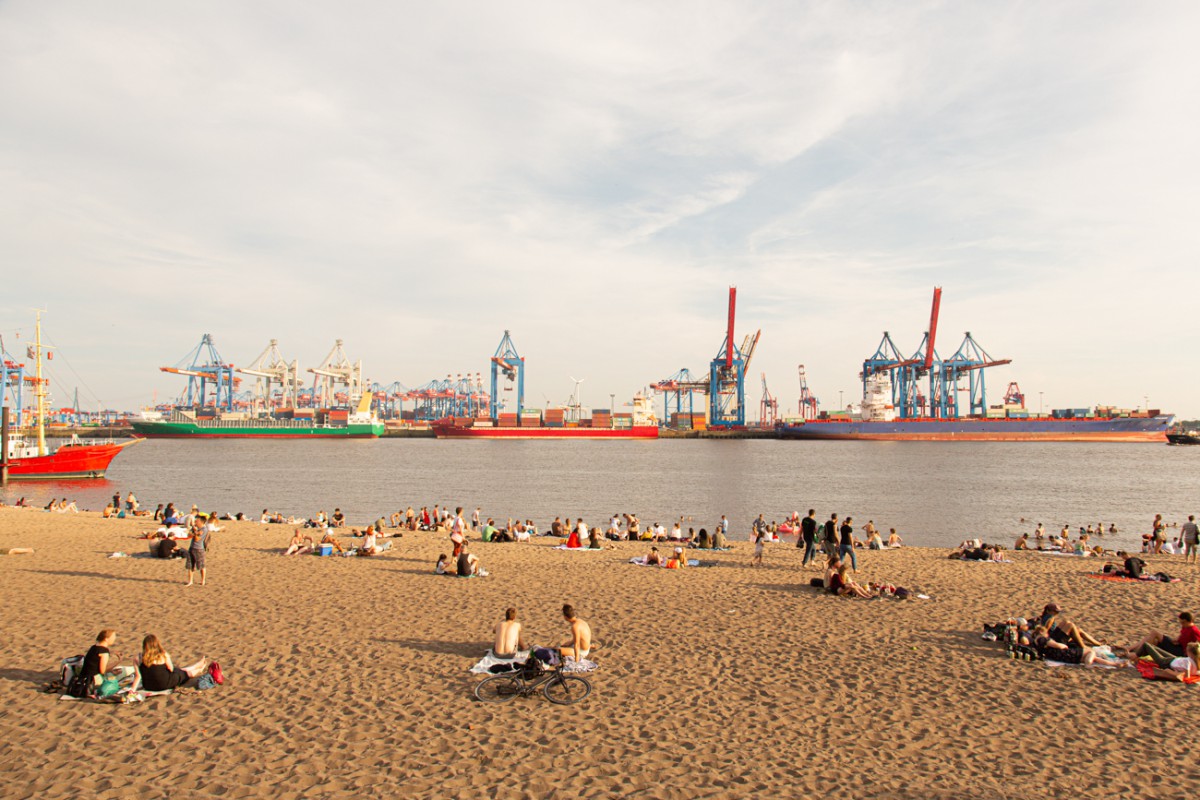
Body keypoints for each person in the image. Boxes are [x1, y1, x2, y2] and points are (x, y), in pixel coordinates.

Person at [71, 629, 132, 698]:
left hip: (85, 678)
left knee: (115, 672)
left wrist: (111, 670)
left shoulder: (94, 647)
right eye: (113, 637)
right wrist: (118, 661)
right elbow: (102, 670)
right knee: (127, 671)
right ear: (106, 639)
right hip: (94, 680)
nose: (114, 639)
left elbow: (95, 665)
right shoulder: (104, 652)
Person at [137, 635, 207, 692]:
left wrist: (132, 690)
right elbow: (171, 669)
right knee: (182, 673)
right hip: (165, 684)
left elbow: (138, 676)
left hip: (149, 686)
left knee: (178, 670)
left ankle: (196, 665)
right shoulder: (163, 655)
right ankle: (199, 669)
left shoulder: (139, 658)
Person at [1032, 625, 1124, 667]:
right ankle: (1088, 664)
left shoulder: (1036, 642)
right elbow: (1058, 646)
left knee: (1093, 657)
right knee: (1090, 651)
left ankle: (1114, 664)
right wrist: (1063, 646)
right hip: (1064, 654)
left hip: (1065, 657)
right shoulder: (1042, 639)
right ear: (1041, 632)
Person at [1126, 612, 1200, 659]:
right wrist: (1176, 640)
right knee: (1154, 640)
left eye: (1183, 622)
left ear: (1189, 621)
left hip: (1182, 652)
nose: (1182, 624)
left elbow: (1198, 645)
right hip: (1177, 645)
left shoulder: (1194, 630)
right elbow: (1181, 635)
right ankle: (1131, 649)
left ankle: (1135, 654)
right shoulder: (1185, 626)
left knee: (1154, 633)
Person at [1133, 641, 1200, 681]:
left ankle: (1133, 656)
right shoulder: (1197, 661)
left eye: (1187, 651)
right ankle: (1136, 654)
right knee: (1153, 648)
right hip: (1175, 659)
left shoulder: (1188, 661)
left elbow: (1187, 677)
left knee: (1146, 645)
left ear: (1190, 653)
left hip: (1166, 663)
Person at [185, 517, 211, 586]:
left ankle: (203, 581)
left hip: (199, 549)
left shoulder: (204, 529)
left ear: (201, 522)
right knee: (190, 565)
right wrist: (195, 532)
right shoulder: (195, 528)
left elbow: (197, 539)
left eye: (197, 521)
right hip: (192, 548)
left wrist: (195, 533)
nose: (195, 522)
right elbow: (189, 535)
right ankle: (190, 581)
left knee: (201, 565)